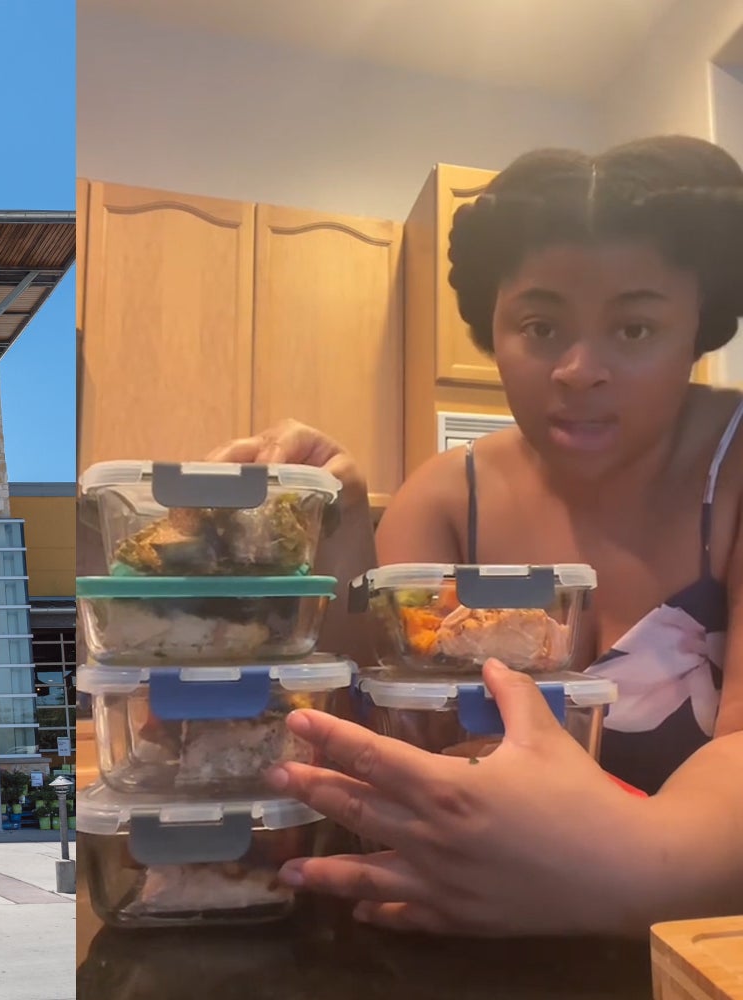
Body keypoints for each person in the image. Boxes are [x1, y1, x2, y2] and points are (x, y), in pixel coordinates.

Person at [211, 135, 743, 936]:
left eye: (633, 329)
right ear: (492, 328)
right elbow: (363, 713)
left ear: (697, 327)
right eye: (539, 325)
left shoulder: (732, 472)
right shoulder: (445, 495)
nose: (577, 369)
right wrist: (339, 530)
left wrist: (614, 876)